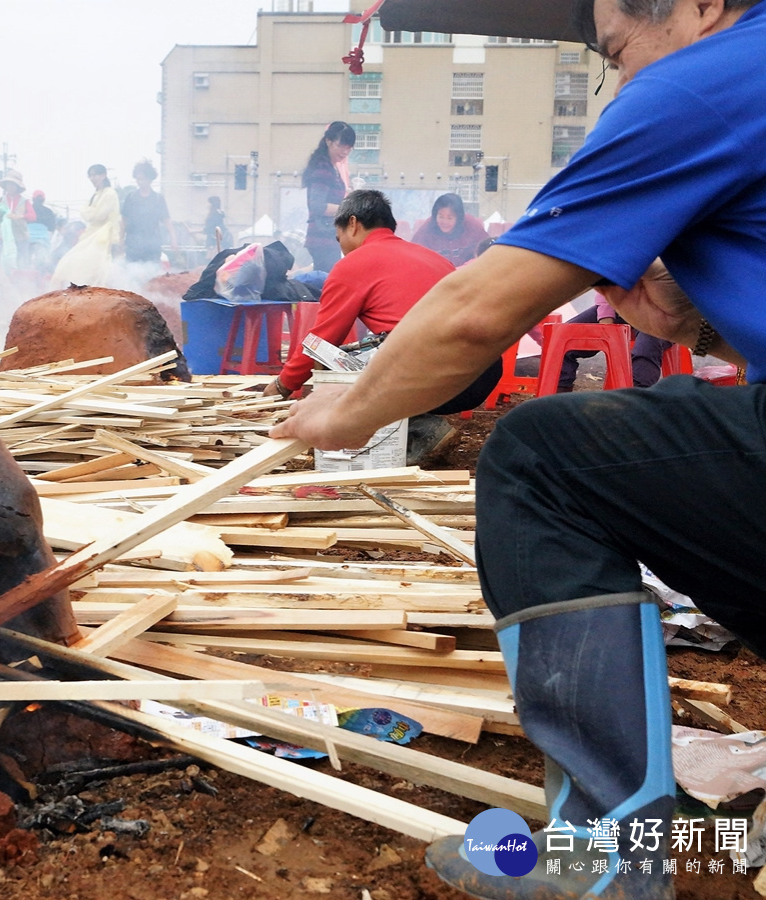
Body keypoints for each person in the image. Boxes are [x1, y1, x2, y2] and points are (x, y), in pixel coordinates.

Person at [272, 0, 766, 896]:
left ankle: (607, 852)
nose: (621, 81)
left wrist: (346, 416)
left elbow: (475, 314)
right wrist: (690, 324)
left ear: (696, 7)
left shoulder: (708, 83)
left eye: (616, 50)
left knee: (540, 457)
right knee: (683, 426)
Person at [264, 190, 501, 460]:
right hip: (483, 372)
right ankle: (416, 425)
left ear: (352, 224)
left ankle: (419, 429)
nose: (340, 246)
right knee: (383, 343)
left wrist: (283, 385)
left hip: (435, 373)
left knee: (338, 360)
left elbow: (322, 341)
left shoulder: (353, 264)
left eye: (338, 237)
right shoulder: (431, 257)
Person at [554, 297, 674, 391]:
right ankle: (558, 396)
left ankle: (635, 399)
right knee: (564, 336)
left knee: (647, 344)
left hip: (664, 309)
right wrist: (606, 318)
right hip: (619, 305)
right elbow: (606, 284)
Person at [51, 164, 121, 287]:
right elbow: (88, 213)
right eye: (91, 175)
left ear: (104, 175)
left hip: (104, 237)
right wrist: (88, 212)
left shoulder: (109, 193)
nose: (93, 178)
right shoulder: (97, 194)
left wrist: (88, 211)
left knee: (102, 270)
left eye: (96, 175)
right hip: (92, 236)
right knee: (80, 264)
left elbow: (97, 215)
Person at [301, 121, 356, 274]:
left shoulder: (331, 166)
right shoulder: (323, 167)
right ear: (328, 141)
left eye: (348, 148)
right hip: (322, 236)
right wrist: (348, 208)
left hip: (327, 236)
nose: (344, 151)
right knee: (328, 281)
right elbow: (317, 206)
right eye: (340, 146)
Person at [409, 192, 491, 267]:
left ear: (459, 218)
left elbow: (488, 250)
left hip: (467, 274)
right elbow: (413, 254)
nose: (445, 222)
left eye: (450, 218)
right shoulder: (427, 230)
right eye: (441, 216)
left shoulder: (471, 225)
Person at [121, 159, 177, 267]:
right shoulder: (131, 197)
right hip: (133, 245)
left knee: (151, 275)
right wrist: (121, 240)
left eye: (142, 179)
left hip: (153, 246)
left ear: (150, 179)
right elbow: (123, 220)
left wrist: (173, 239)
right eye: (137, 179)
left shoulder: (158, 199)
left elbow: (167, 220)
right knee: (132, 273)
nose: (139, 181)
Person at [0, 170, 36, 273]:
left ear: (18, 187)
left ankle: (22, 285)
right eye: (8, 184)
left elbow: (32, 216)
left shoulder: (24, 201)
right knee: (4, 264)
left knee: (22, 264)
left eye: (13, 184)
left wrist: (19, 216)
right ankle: (6, 285)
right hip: (2, 238)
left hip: (20, 238)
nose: (10, 187)